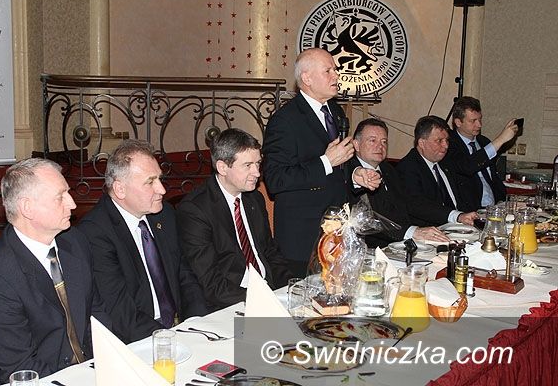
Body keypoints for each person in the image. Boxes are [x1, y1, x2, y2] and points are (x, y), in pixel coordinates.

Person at [0, 158, 111, 386]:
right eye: (60, 196)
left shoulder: (75, 242)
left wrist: (107, 364)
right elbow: (20, 368)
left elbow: (97, 312)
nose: (73, 204)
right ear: (27, 207)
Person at [77, 140, 207, 344]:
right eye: (150, 182)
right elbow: (121, 314)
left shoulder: (164, 215)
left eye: (160, 179)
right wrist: (171, 340)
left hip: (180, 328)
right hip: (138, 340)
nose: (162, 189)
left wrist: (197, 323)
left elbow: (185, 276)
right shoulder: (94, 233)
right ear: (120, 189)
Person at [262, 47, 373, 277]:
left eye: (335, 69)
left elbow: (340, 161)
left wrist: (355, 175)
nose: (336, 75)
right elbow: (276, 179)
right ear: (307, 78)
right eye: (328, 71)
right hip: (304, 240)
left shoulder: (335, 111)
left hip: (338, 233)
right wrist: (326, 162)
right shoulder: (284, 120)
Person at [176, 128, 293, 311]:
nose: (257, 173)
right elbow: (211, 283)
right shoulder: (195, 210)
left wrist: (291, 287)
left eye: (258, 163)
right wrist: (261, 298)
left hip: (269, 293)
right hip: (228, 305)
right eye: (247, 165)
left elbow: (270, 252)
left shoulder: (254, 198)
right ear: (222, 167)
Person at [347, 118, 451, 247]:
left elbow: (407, 205)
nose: (380, 146)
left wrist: (423, 231)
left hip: (402, 243)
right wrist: (412, 232)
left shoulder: (388, 170)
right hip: (369, 248)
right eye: (373, 140)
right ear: (356, 145)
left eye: (384, 141)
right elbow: (367, 221)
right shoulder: (350, 174)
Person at [396, 115, 478, 227]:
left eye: (447, 140)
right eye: (439, 141)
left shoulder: (445, 162)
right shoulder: (408, 168)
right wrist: (457, 216)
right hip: (431, 230)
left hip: (460, 226)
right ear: (422, 143)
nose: (446, 146)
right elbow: (418, 205)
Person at [442, 96, 518, 211]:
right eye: (473, 121)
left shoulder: (483, 141)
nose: (479, 125)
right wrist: (501, 139)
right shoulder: (449, 144)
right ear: (458, 122)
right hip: (469, 210)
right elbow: (467, 166)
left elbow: (492, 178)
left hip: (494, 207)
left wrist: (503, 202)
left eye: (480, 119)